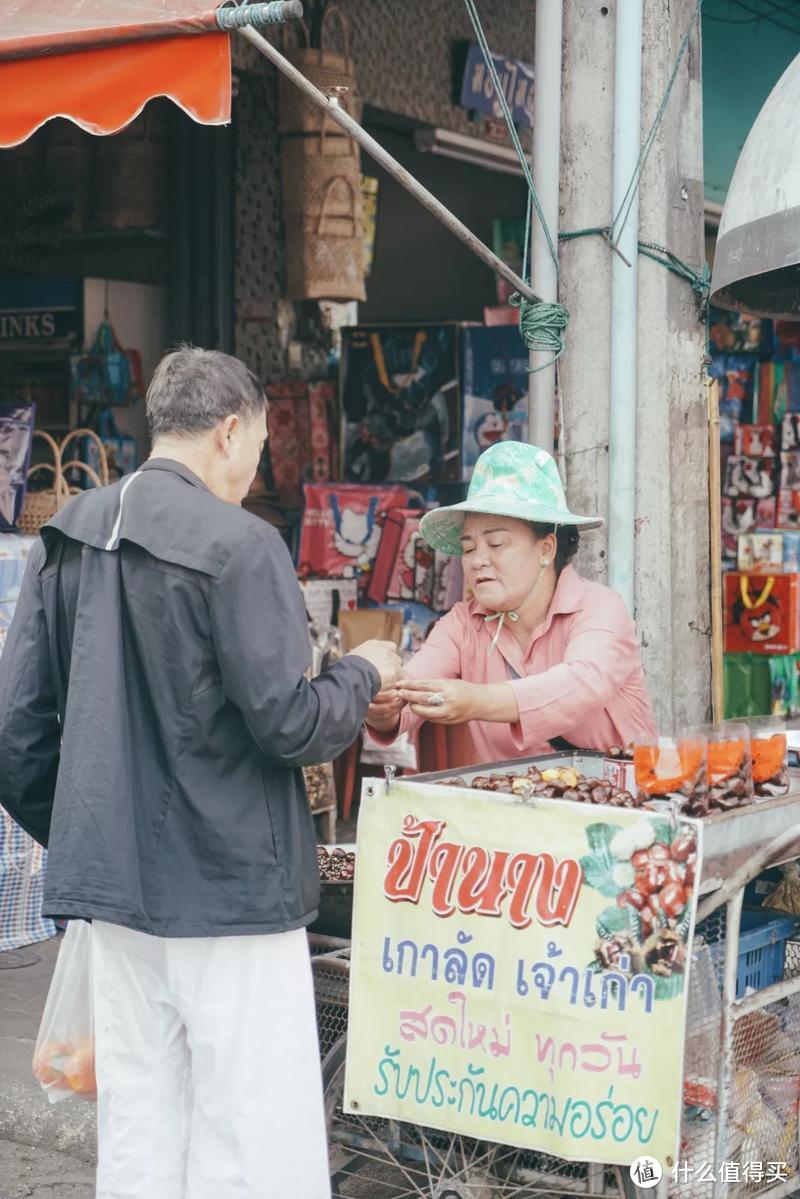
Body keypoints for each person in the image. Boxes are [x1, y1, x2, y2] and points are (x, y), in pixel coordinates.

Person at [0, 347, 400, 1199]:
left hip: (119, 910)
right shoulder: (242, 543)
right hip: (233, 900)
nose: (255, 467)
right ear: (229, 430)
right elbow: (292, 723)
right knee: (253, 1140)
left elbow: (16, 738)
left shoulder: (63, 538)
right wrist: (364, 671)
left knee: (141, 1130)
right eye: (256, 444)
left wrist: (90, 832)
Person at [366, 441, 655, 764]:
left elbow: (584, 683)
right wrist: (382, 707)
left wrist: (478, 700)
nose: (478, 561)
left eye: (496, 543)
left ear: (546, 549)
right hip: (515, 808)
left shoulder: (599, 608)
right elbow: (409, 692)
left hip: (615, 805)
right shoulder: (462, 624)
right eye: (469, 547)